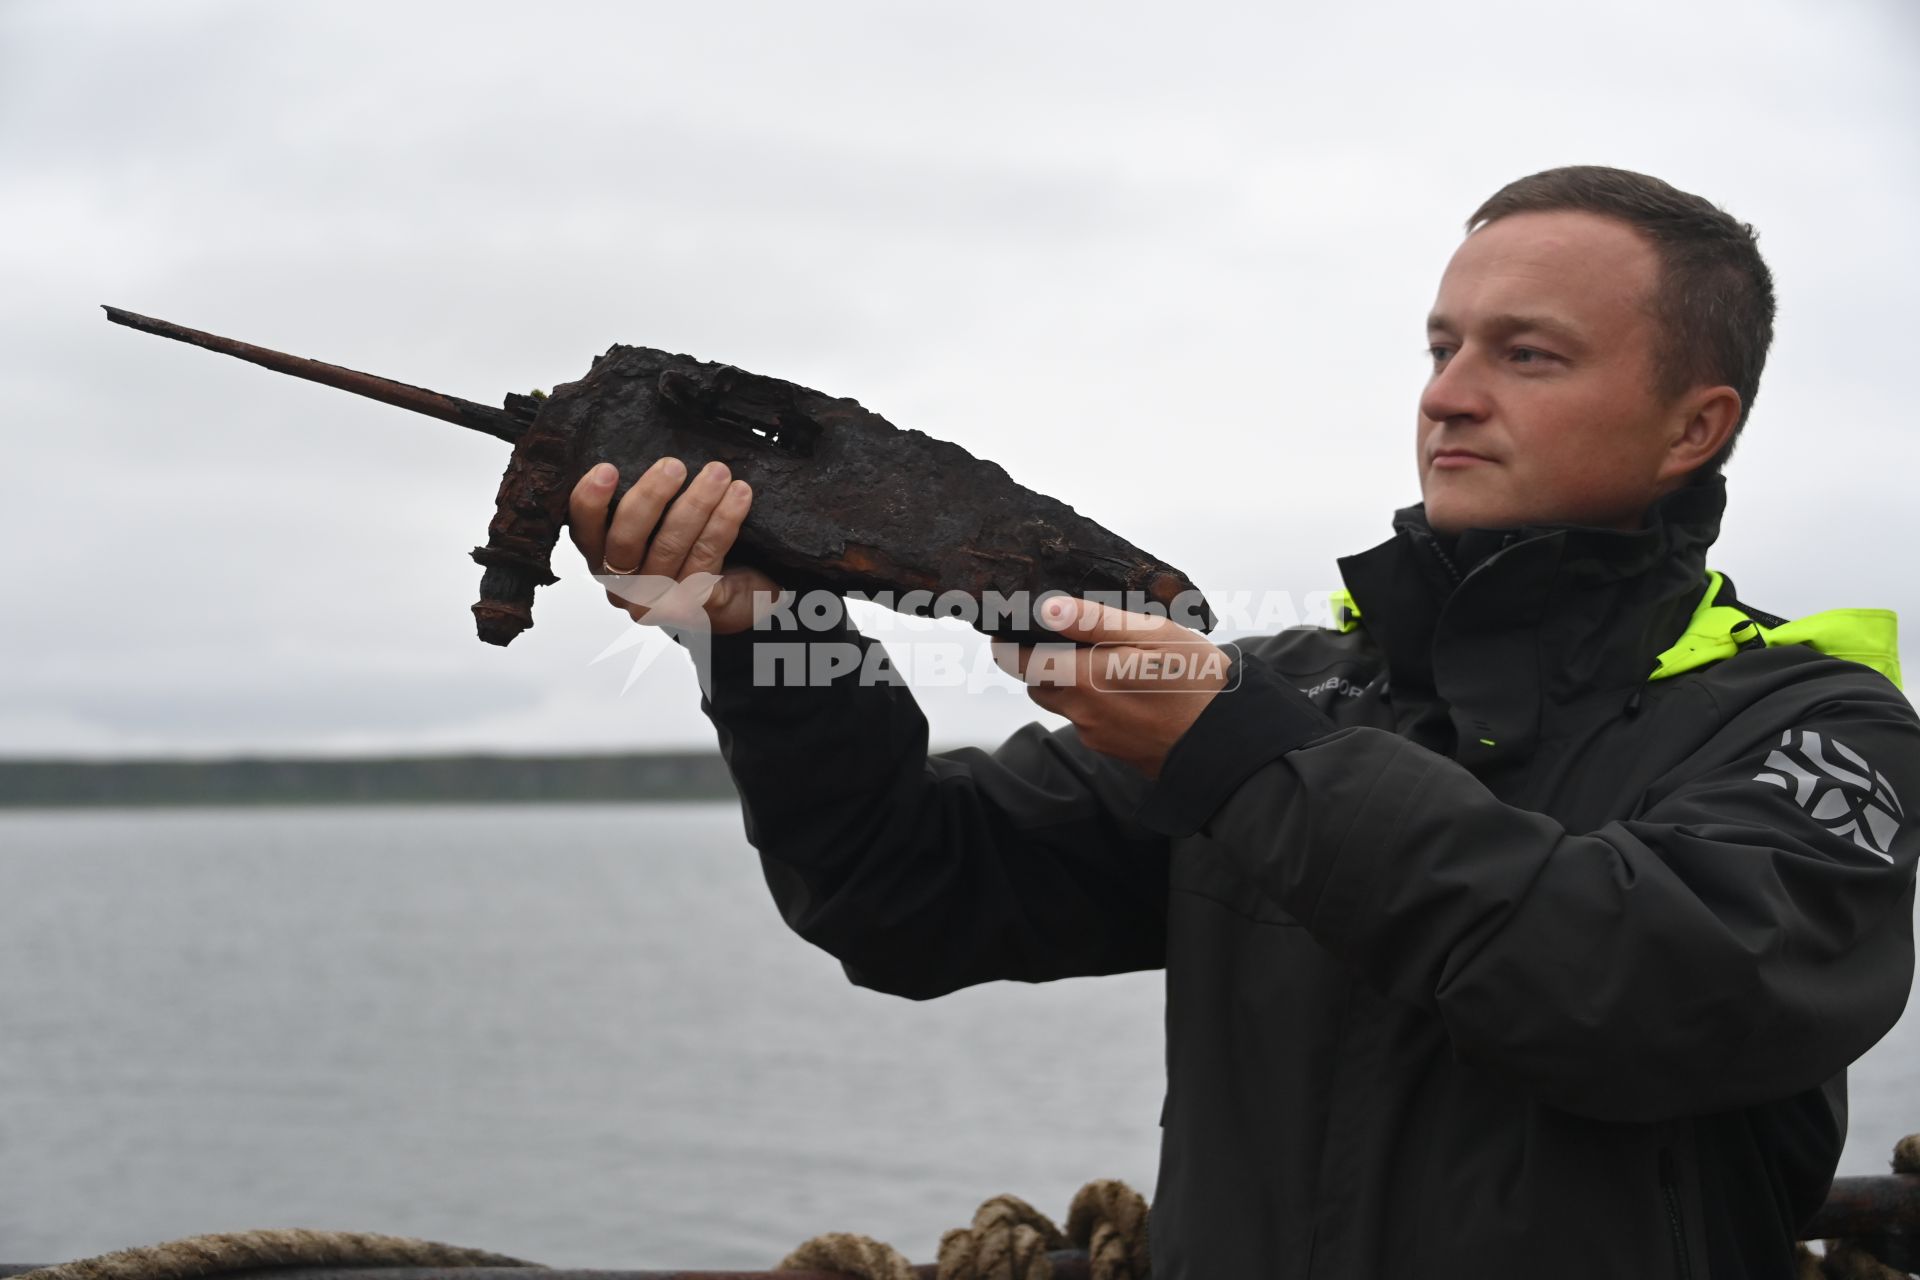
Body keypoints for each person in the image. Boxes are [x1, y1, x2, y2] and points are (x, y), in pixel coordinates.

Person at [564, 166, 1917, 1278]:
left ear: (1696, 427)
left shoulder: (1817, 725)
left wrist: (1233, 749)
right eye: (1443, 346)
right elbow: (907, 892)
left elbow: (1644, 990)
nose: (1449, 392)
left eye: (1528, 354)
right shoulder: (1302, 692)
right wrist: (756, 635)